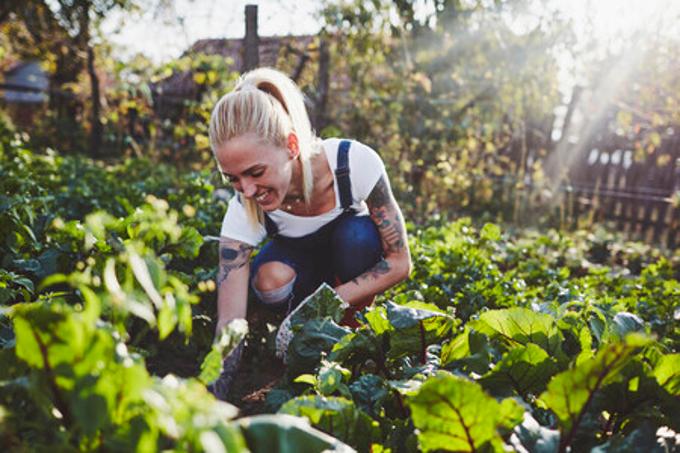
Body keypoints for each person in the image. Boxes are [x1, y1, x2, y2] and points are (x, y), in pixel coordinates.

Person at [207, 67, 411, 400]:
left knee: (358, 238)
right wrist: (212, 391)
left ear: (290, 146)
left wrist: (322, 306)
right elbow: (230, 320)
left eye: (256, 172)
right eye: (232, 178)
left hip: (348, 260)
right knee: (270, 280)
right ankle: (289, 343)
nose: (246, 190)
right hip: (301, 265)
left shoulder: (352, 164)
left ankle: (346, 335)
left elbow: (400, 262)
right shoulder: (243, 208)